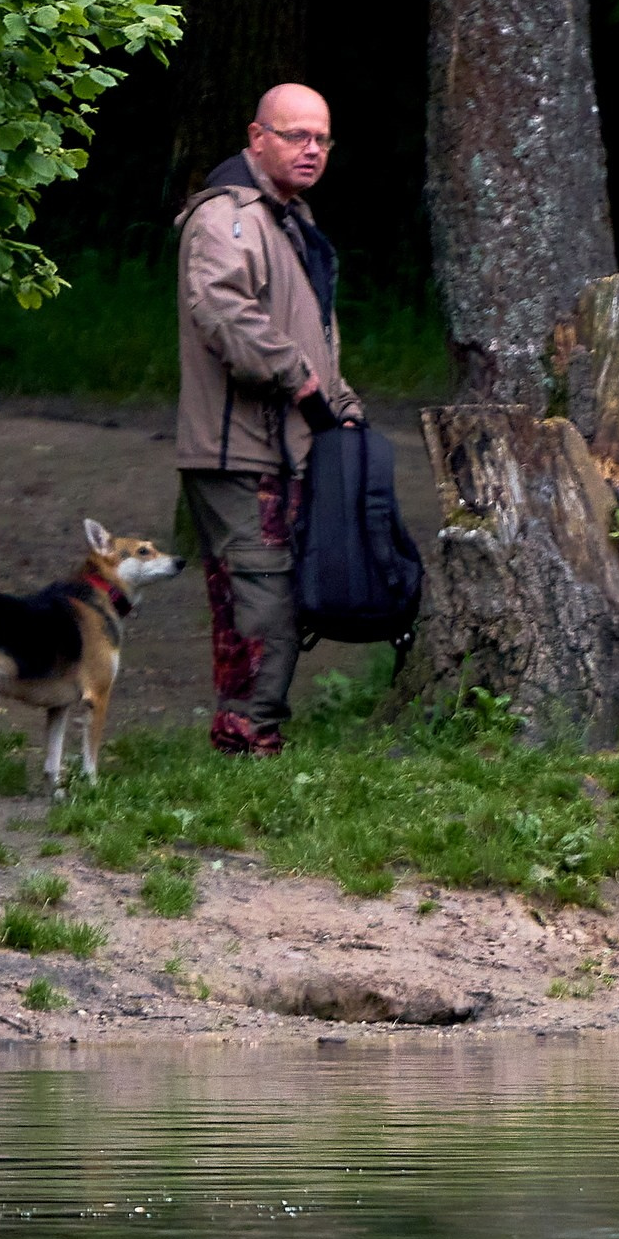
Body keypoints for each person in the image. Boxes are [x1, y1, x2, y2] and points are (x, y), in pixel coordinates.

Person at [173, 83, 362, 756]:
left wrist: (341, 409)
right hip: (236, 451)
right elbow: (224, 312)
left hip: (285, 446)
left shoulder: (288, 219)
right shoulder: (229, 216)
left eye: (322, 139)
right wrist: (302, 381)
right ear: (258, 138)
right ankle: (247, 741)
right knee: (259, 600)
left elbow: (309, 334)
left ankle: (253, 734)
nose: (311, 150)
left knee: (274, 596)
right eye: (295, 136)